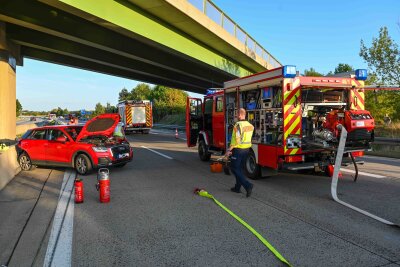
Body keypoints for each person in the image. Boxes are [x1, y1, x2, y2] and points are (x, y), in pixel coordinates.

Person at [225, 108, 255, 197]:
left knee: (234, 168)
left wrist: (229, 150)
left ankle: (248, 185)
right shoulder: (250, 125)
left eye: (236, 115)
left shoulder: (238, 125)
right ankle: (237, 188)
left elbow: (236, 140)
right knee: (240, 169)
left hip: (238, 150)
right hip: (247, 150)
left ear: (239, 115)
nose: (235, 117)